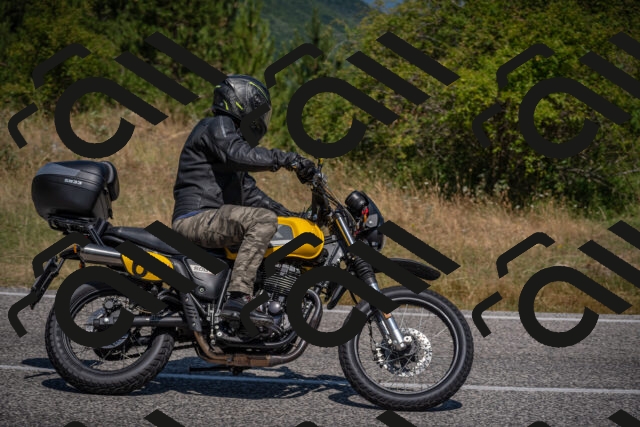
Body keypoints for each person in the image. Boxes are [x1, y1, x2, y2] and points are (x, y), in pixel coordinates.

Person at [171, 74, 316, 325]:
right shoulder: (216, 126)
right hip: (195, 218)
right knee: (262, 220)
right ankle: (238, 298)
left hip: (213, 220)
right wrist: (287, 159)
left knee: (272, 221)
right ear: (243, 102)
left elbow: (252, 195)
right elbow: (238, 154)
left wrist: (295, 217)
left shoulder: (228, 153)